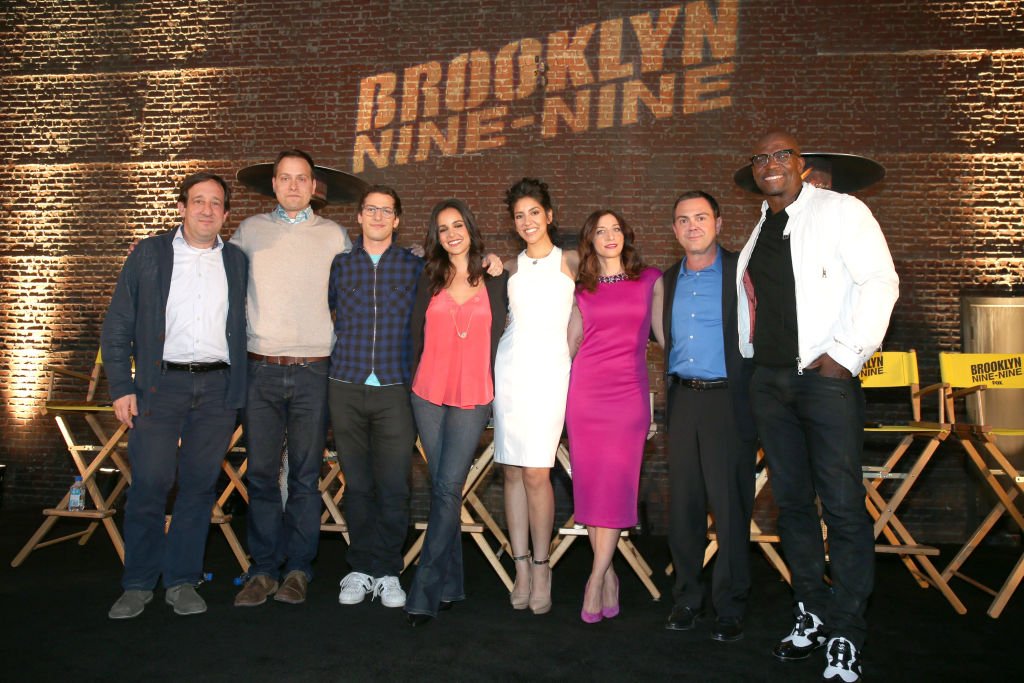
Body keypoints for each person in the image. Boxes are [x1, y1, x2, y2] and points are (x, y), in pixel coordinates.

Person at [737, 131, 899, 683]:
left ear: (800, 165)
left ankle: (847, 632)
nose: (771, 164)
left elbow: (880, 281)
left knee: (844, 507)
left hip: (822, 381)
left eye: (782, 155)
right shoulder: (761, 227)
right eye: (761, 158)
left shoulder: (840, 210)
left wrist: (844, 356)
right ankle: (811, 609)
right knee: (793, 507)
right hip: (772, 385)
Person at [102, 172, 248, 619]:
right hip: (158, 388)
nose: (207, 209)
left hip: (217, 388)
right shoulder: (149, 254)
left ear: (226, 213)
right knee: (150, 484)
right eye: (198, 201)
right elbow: (118, 324)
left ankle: (183, 580)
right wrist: (121, 387)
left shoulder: (238, 260)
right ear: (181, 207)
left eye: (216, 203)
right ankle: (139, 582)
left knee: (200, 489)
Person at [232, 149, 352, 607]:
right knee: (261, 475)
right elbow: (222, 280)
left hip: (313, 370)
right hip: (260, 367)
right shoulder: (249, 232)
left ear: (314, 186)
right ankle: (262, 570)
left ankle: (299, 569)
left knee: (304, 475)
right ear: (275, 184)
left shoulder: (334, 235)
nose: (295, 186)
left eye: (303, 178)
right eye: (286, 178)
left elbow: (359, 285)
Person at [655, 191, 757, 642]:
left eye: (700, 217)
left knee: (731, 507)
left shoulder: (742, 271)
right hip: (682, 401)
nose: (692, 226)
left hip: (727, 403)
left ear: (718, 221)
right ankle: (687, 598)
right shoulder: (668, 279)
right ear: (674, 229)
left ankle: (730, 606)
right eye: (683, 220)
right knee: (685, 507)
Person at [404, 199, 509, 626]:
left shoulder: (496, 276)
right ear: (436, 235)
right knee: (443, 487)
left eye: (458, 224)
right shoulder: (426, 276)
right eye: (443, 227)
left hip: (473, 396)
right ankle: (451, 585)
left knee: (447, 487)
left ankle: (424, 590)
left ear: (470, 227)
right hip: (427, 393)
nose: (452, 233)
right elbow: (414, 333)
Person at [566, 210, 661, 623]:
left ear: (626, 235)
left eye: (616, 229)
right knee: (592, 489)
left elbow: (665, 338)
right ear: (590, 240)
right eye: (600, 231)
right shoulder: (580, 289)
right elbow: (568, 347)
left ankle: (595, 577)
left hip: (629, 398)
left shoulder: (650, 280)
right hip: (585, 397)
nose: (609, 236)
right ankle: (607, 578)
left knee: (617, 487)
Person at [328, 185, 421, 610]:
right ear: (360, 217)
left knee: (394, 485)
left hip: (396, 388)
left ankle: (388, 571)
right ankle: (360, 568)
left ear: (397, 220)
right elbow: (332, 312)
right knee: (359, 484)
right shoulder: (341, 265)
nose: (378, 216)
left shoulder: (414, 266)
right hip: (345, 385)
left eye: (387, 210)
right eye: (371, 209)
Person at [493, 177, 579, 615]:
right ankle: (520, 566)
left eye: (533, 212)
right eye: (518, 215)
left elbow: (590, 316)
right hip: (509, 372)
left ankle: (543, 565)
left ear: (549, 215)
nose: (527, 221)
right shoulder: (508, 268)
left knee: (536, 474)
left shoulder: (573, 261)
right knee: (510, 472)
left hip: (550, 375)